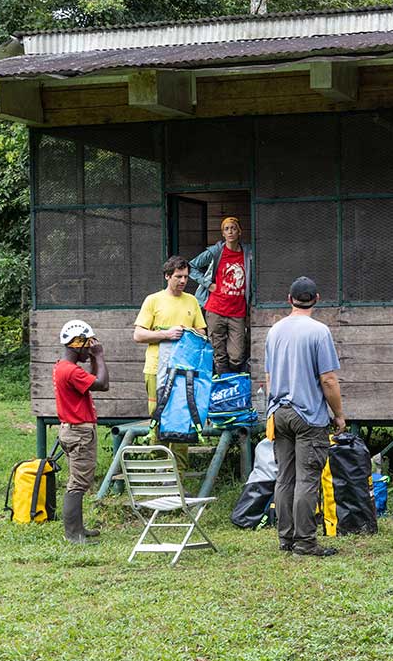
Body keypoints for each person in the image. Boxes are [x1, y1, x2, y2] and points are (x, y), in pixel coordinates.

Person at [266, 277, 346, 557]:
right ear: (317, 298)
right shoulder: (319, 331)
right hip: (308, 415)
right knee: (307, 479)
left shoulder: (274, 331)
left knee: (284, 478)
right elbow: (328, 380)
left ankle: (285, 539)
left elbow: (268, 375)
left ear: (289, 299)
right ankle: (305, 542)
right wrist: (339, 415)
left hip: (278, 412)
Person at [54, 320, 109, 544]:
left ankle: (78, 529)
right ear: (76, 344)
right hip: (79, 432)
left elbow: (95, 381)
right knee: (77, 483)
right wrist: (100, 356)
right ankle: (73, 534)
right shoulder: (71, 372)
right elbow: (103, 384)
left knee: (77, 481)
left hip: (72, 430)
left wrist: (94, 357)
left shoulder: (63, 367)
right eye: (87, 344)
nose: (90, 348)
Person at [133, 256, 206, 414]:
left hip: (184, 367)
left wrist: (188, 333)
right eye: (178, 276)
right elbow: (138, 335)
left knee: (179, 411)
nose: (183, 281)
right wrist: (166, 334)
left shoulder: (192, 301)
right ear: (167, 276)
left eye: (186, 277)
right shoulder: (153, 300)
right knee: (157, 410)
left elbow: (202, 332)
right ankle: (155, 439)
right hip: (156, 365)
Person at [189, 216, 253, 374]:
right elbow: (191, 267)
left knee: (237, 355)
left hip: (237, 311)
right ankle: (223, 386)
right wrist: (208, 284)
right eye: (226, 229)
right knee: (219, 353)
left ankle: (233, 379)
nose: (230, 231)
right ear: (223, 233)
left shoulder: (248, 253)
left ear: (239, 232)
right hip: (216, 309)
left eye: (233, 228)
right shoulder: (215, 252)